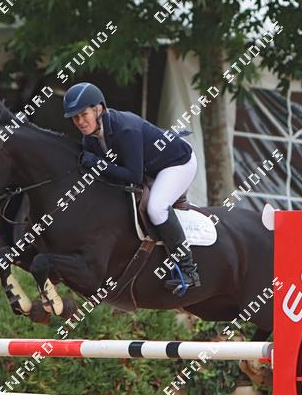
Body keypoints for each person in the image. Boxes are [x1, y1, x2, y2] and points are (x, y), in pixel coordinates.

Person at [63, 82, 200, 293]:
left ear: (98, 109)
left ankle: (188, 269)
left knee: (156, 208)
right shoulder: (90, 138)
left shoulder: (125, 128)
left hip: (177, 163)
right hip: (150, 167)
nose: (80, 122)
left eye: (84, 114)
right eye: (75, 117)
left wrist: (98, 164)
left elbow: (133, 176)